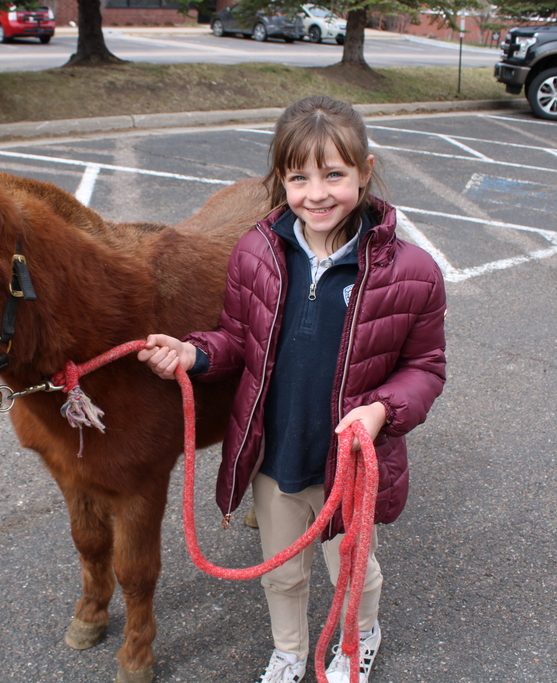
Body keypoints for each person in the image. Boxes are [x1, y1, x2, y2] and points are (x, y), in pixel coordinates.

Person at [138, 95, 447, 683]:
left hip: (349, 462)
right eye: (299, 177)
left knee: (353, 570)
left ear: (365, 170)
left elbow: (426, 367)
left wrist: (383, 409)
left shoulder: (413, 270)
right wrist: (193, 353)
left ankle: (358, 639)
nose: (317, 193)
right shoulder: (256, 251)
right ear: (280, 179)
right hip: (274, 456)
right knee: (281, 571)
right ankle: (288, 651)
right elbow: (236, 337)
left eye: (334, 174)